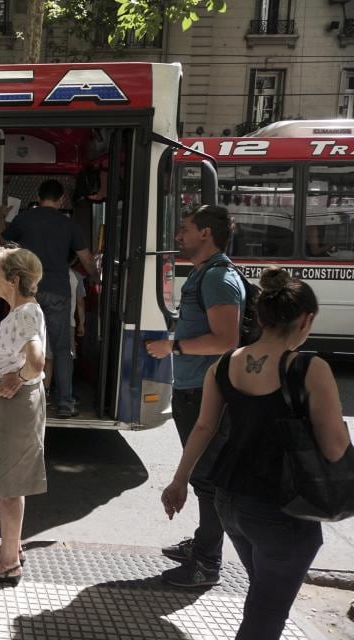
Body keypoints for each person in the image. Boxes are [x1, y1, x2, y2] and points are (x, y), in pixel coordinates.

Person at [161, 268, 351, 639]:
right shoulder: (310, 368)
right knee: (267, 613)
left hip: (230, 501)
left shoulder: (224, 364)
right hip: (283, 507)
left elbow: (203, 427)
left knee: (263, 593)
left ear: (261, 317)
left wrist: (179, 481)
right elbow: (334, 447)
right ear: (306, 319)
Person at [146, 204, 245, 588]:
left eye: (185, 228)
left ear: (206, 233)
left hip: (207, 391)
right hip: (195, 387)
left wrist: (174, 347)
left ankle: (206, 564)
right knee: (205, 477)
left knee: (207, 479)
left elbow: (226, 339)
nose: (178, 236)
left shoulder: (218, 278)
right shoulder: (209, 273)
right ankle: (205, 543)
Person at [0, 244, 47, 586]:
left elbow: (36, 361)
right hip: (11, 402)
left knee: (9, 486)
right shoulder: (22, 311)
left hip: (16, 407)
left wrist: (19, 378)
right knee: (10, 483)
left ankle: (8, 562)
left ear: (14, 280)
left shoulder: (26, 314)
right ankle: (10, 548)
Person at [0, 179, 98, 418]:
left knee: (24, 345)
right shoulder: (69, 224)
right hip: (57, 292)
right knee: (62, 349)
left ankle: (25, 399)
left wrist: (2, 216)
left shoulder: (23, 219)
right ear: (62, 198)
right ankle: (65, 402)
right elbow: (85, 259)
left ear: (39, 196)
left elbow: (2, 241)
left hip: (28, 291)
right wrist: (95, 276)